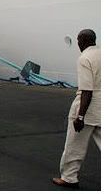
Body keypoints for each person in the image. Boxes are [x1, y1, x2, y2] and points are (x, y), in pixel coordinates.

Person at [52, 29, 101, 188]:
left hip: (87, 109)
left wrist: (80, 117)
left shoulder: (84, 58)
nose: (78, 44)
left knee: (74, 146)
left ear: (84, 41)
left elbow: (87, 90)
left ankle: (69, 177)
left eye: (79, 40)